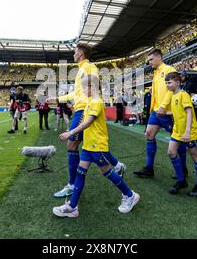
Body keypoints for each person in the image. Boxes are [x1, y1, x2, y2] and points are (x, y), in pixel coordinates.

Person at [53, 74, 140, 217]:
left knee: (107, 172)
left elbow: (88, 122)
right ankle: (73, 207)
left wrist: (71, 132)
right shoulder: (90, 101)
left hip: (97, 145)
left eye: (83, 87)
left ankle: (130, 195)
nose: (81, 90)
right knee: (80, 173)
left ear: (91, 87)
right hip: (88, 145)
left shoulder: (96, 101)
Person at [46, 44, 125, 198]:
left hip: (84, 110)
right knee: (91, 147)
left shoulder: (90, 67)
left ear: (81, 53)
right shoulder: (81, 69)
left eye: (75, 52)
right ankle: (117, 165)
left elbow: (94, 89)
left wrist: (90, 107)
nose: (73, 54)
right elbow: (76, 93)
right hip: (80, 109)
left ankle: (72, 184)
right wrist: (57, 98)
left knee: (72, 144)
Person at [133, 49, 187, 178]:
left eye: (151, 59)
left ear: (159, 57)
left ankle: (183, 169)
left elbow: (171, 89)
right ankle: (149, 168)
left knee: (177, 140)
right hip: (156, 111)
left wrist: (163, 106)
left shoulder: (169, 69)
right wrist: (152, 108)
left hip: (168, 112)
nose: (149, 62)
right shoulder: (156, 73)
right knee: (149, 134)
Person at [164, 72, 197, 196]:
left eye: (169, 82)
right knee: (171, 152)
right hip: (177, 131)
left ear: (177, 83)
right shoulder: (173, 96)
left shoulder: (184, 95)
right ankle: (181, 180)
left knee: (195, 156)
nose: (167, 85)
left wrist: (188, 131)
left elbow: (189, 113)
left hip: (190, 131)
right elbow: (177, 112)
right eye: (166, 83)